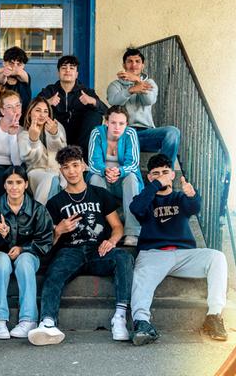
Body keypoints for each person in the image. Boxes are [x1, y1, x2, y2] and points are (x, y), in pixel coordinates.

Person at [27, 146, 134, 346]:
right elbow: (47, 243)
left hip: (98, 250)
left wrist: (111, 241)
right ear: (61, 170)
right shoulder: (55, 202)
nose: (72, 171)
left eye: (75, 165)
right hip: (70, 251)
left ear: (83, 166)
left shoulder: (100, 194)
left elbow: (117, 227)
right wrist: (59, 230)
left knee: (124, 257)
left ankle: (119, 317)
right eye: (66, 167)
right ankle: (48, 322)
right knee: (54, 273)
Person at [129, 154, 228, 344]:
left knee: (217, 257)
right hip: (154, 254)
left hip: (184, 255)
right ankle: (142, 323)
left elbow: (194, 207)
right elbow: (136, 208)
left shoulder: (180, 197)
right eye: (156, 174)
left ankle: (214, 316)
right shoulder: (146, 199)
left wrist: (192, 195)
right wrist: (156, 185)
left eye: (165, 172)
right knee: (141, 276)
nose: (161, 177)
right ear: (149, 177)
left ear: (173, 175)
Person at [0, 166, 54, 339]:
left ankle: (28, 319)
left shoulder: (38, 209)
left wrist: (22, 249)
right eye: (10, 182)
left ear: (26, 184)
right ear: (4, 185)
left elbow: (46, 241)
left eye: (19, 182)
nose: (14, 187)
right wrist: (0, 236)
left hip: (28, 257)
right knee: (2, 260)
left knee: (25, 260)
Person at [107, 48, 181, 163]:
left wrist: (138, 81)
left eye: (137, 61)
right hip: (124, 134)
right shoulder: (115, 85)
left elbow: (148, 101)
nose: (133, 65)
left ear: (143, 65)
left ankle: (163, 169)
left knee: (172, 132)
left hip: (146, 134)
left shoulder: (150, 83)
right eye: (129, 61)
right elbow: (114, 103)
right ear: (124, 65)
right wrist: (130, 90)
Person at [87, 105, 143, 246]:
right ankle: (100, 230)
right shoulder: (97, 133)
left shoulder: (130, 134)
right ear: (106, 122)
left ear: (126, 124)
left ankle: (132, 232)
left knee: (131, 177)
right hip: (103, 179)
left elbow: (133, 163)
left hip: (122, 181)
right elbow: (93, 163)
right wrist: (106, 171)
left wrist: (119, 172)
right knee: (95, 178)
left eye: (121, 123)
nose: (117, 127)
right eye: (113, 122)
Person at [39, 55, 106, 158]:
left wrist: (92, 101)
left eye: (72, 68)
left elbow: (106, 111)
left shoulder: (85, 91)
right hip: (56, 134)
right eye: (64, 68)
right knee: (42, 111)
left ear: (76, 74)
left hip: (80, 136)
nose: (67, 70)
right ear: (58, 73)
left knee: (95, 115)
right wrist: (48, 102)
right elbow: (32, 108)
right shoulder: (50, 90)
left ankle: (81, 158)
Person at [18, 97, 67, 205]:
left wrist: (55, 135)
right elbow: (31, 159)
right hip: (36, 172)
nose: (42, 115)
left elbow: (63, 152)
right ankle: (39, 211)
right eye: (38, 110)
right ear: (29, 113)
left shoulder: (56, 127)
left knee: (58, 179)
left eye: (45, 111)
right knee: (51, 178)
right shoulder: (23, 135)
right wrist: (33, 140)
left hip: (57, 171)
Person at [0, 46, 32, 122]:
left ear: (23, 66)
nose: (14, 66)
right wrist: (2, 72)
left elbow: (18, 71)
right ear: (4, 63)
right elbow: (1, 80)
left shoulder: (25, 78)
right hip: (1, 121)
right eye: (11, 63)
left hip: (21, 122)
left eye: (19, 64)